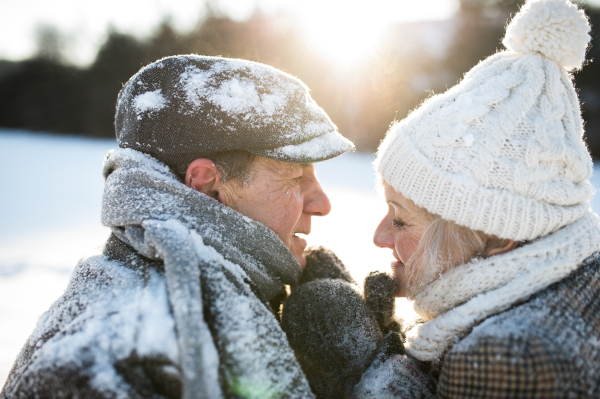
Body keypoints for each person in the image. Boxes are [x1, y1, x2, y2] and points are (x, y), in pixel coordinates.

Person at [283, 0, 600, 397]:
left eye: (400, 220)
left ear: (498, 237)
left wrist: (363, 376)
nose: (379, 238)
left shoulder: (504, 358)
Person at [0, 55, 354, 399]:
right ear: (207, 185)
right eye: (295, 176)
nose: (322, 204)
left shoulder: (222, 300)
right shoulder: (113, 365)